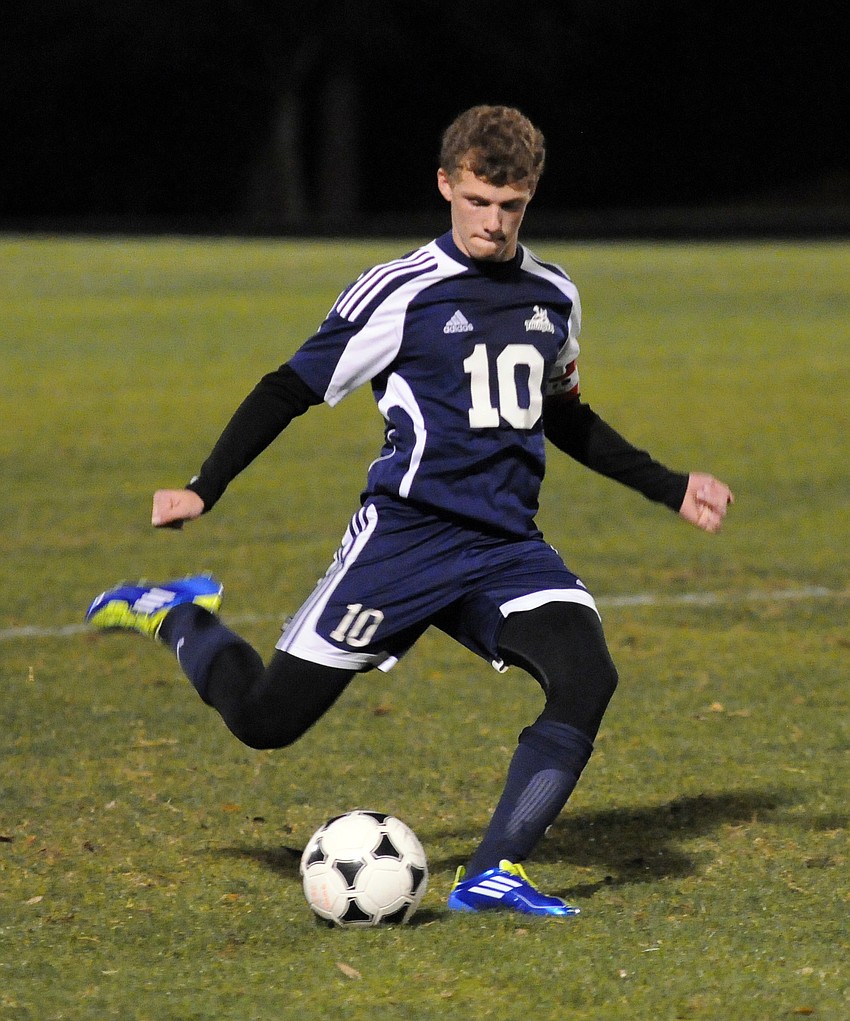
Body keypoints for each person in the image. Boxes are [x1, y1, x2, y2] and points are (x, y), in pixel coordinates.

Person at [86, 105, 733, 917]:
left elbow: (561, 412)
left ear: (530, 197)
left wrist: (668, 485)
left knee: (586, 673)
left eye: (512, 206)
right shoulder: (401, 290)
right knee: (263, 720)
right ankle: (180, 616)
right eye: (477, 202)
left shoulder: (554, 294)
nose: (493, 224)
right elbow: (290, 387)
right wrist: (203, 487)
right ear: (445, 185)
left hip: (504, 548)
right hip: (404, 543)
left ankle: (495, 871)